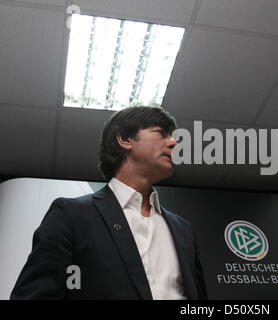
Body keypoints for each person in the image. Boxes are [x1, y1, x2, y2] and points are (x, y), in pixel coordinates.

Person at [10, 106, 207, 300]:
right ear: (125, 139)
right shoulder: (71, 215)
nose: (173, 142)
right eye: (161, 133)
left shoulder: (183, 230)